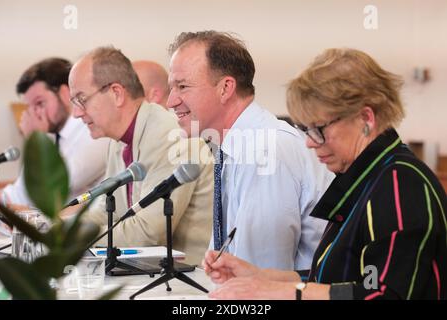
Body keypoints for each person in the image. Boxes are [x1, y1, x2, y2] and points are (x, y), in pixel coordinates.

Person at [203, 48, 447, 300]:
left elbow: (385, 295)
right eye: (305, 129)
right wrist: (261, 277)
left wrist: (284, 292)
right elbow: (337, 278)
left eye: (318, 129)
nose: (309, 142)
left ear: (365, 118)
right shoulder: (367, 177)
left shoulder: (399, 184)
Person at [167, 31, 334, 271]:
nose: (170, 101)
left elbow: (261, 278)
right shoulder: (237, 146)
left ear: (225, 88)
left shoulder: (266, 150)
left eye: (182, 86)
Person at [68, 46, 214, 265]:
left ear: (117, 93)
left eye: (81, 99)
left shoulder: (168, 136)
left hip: (191, 280)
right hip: (147, 270)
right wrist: (57, 229)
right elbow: (103, 212)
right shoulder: (118, 139)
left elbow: (148, 234)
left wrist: (68, 238)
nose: (76, 113)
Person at [0, 57, 109, 209]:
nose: (35, 113)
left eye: (39, 103)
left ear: (64, 93)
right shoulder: (53, 135)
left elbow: (51, 189)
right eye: (29, 107)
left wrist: (36, 141)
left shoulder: (93, 130)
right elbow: (15, 195)